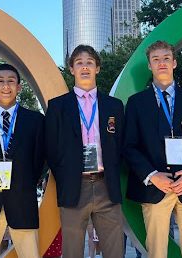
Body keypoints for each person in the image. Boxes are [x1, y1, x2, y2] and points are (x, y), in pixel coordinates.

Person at [124, 40, 182, 258]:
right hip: (155, 188)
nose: (162, 63)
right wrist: (152, 175)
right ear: (150, 66)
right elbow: (129, 147)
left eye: (166, 58)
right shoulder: (136, 103)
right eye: (156, 60)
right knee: (156, 253)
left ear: (174, 63)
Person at [45, 45, 124, 258]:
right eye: (79, 62)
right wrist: (66, 176)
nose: (85, 67)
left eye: (89, 62)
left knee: (115, 250)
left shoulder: (114, 106)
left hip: (106, 185)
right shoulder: (57, 107)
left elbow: (121, 145)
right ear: (71, 69)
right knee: (72, 251)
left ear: (97, 68)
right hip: (74, 186)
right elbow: (51, 149)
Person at [0, 63, 44, 258]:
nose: (6, 86)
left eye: (11, 81)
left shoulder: (35, 121)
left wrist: (26, 181)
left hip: (23, 198)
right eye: (0, 81)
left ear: (19, 87)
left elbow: (39, 160)